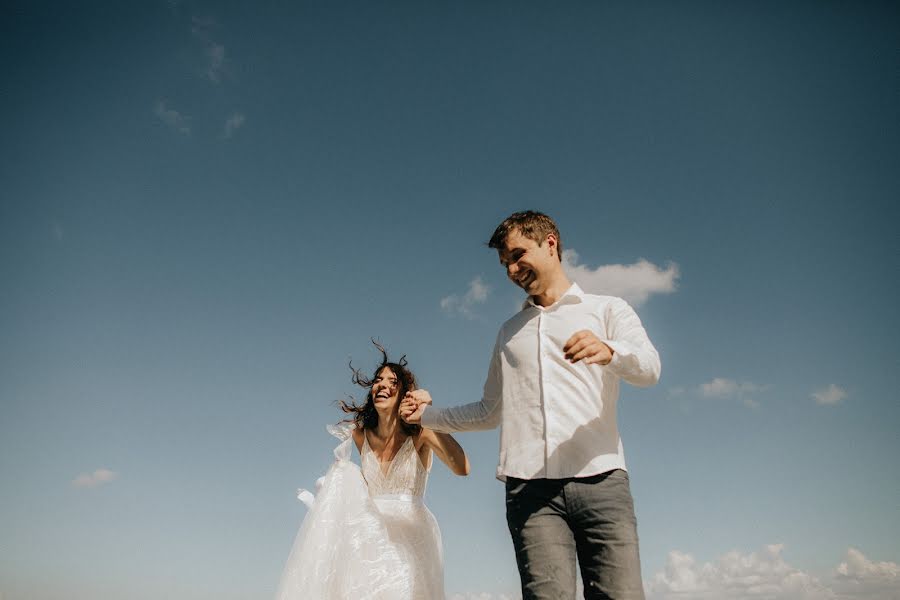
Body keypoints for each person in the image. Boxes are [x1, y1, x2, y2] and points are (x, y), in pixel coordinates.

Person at [401, 211, 660, 600]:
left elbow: (649, 368)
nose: (512, 269)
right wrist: (426, 415)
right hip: (530, 494)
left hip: (602, 481)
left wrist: (610, 351)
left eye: (519, 255)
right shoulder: (508, 332)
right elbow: (490, 411)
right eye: (505, 263)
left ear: (550, 243)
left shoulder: (608, 310)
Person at [276, 343, 469, 600]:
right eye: (378, 380)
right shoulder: (359, 435)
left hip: (411, 536)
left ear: (404, 393)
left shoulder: (421, 432)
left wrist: (429, 415)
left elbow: (462, 467)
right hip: (369, 537)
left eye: (393, 381)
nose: (382, 384)